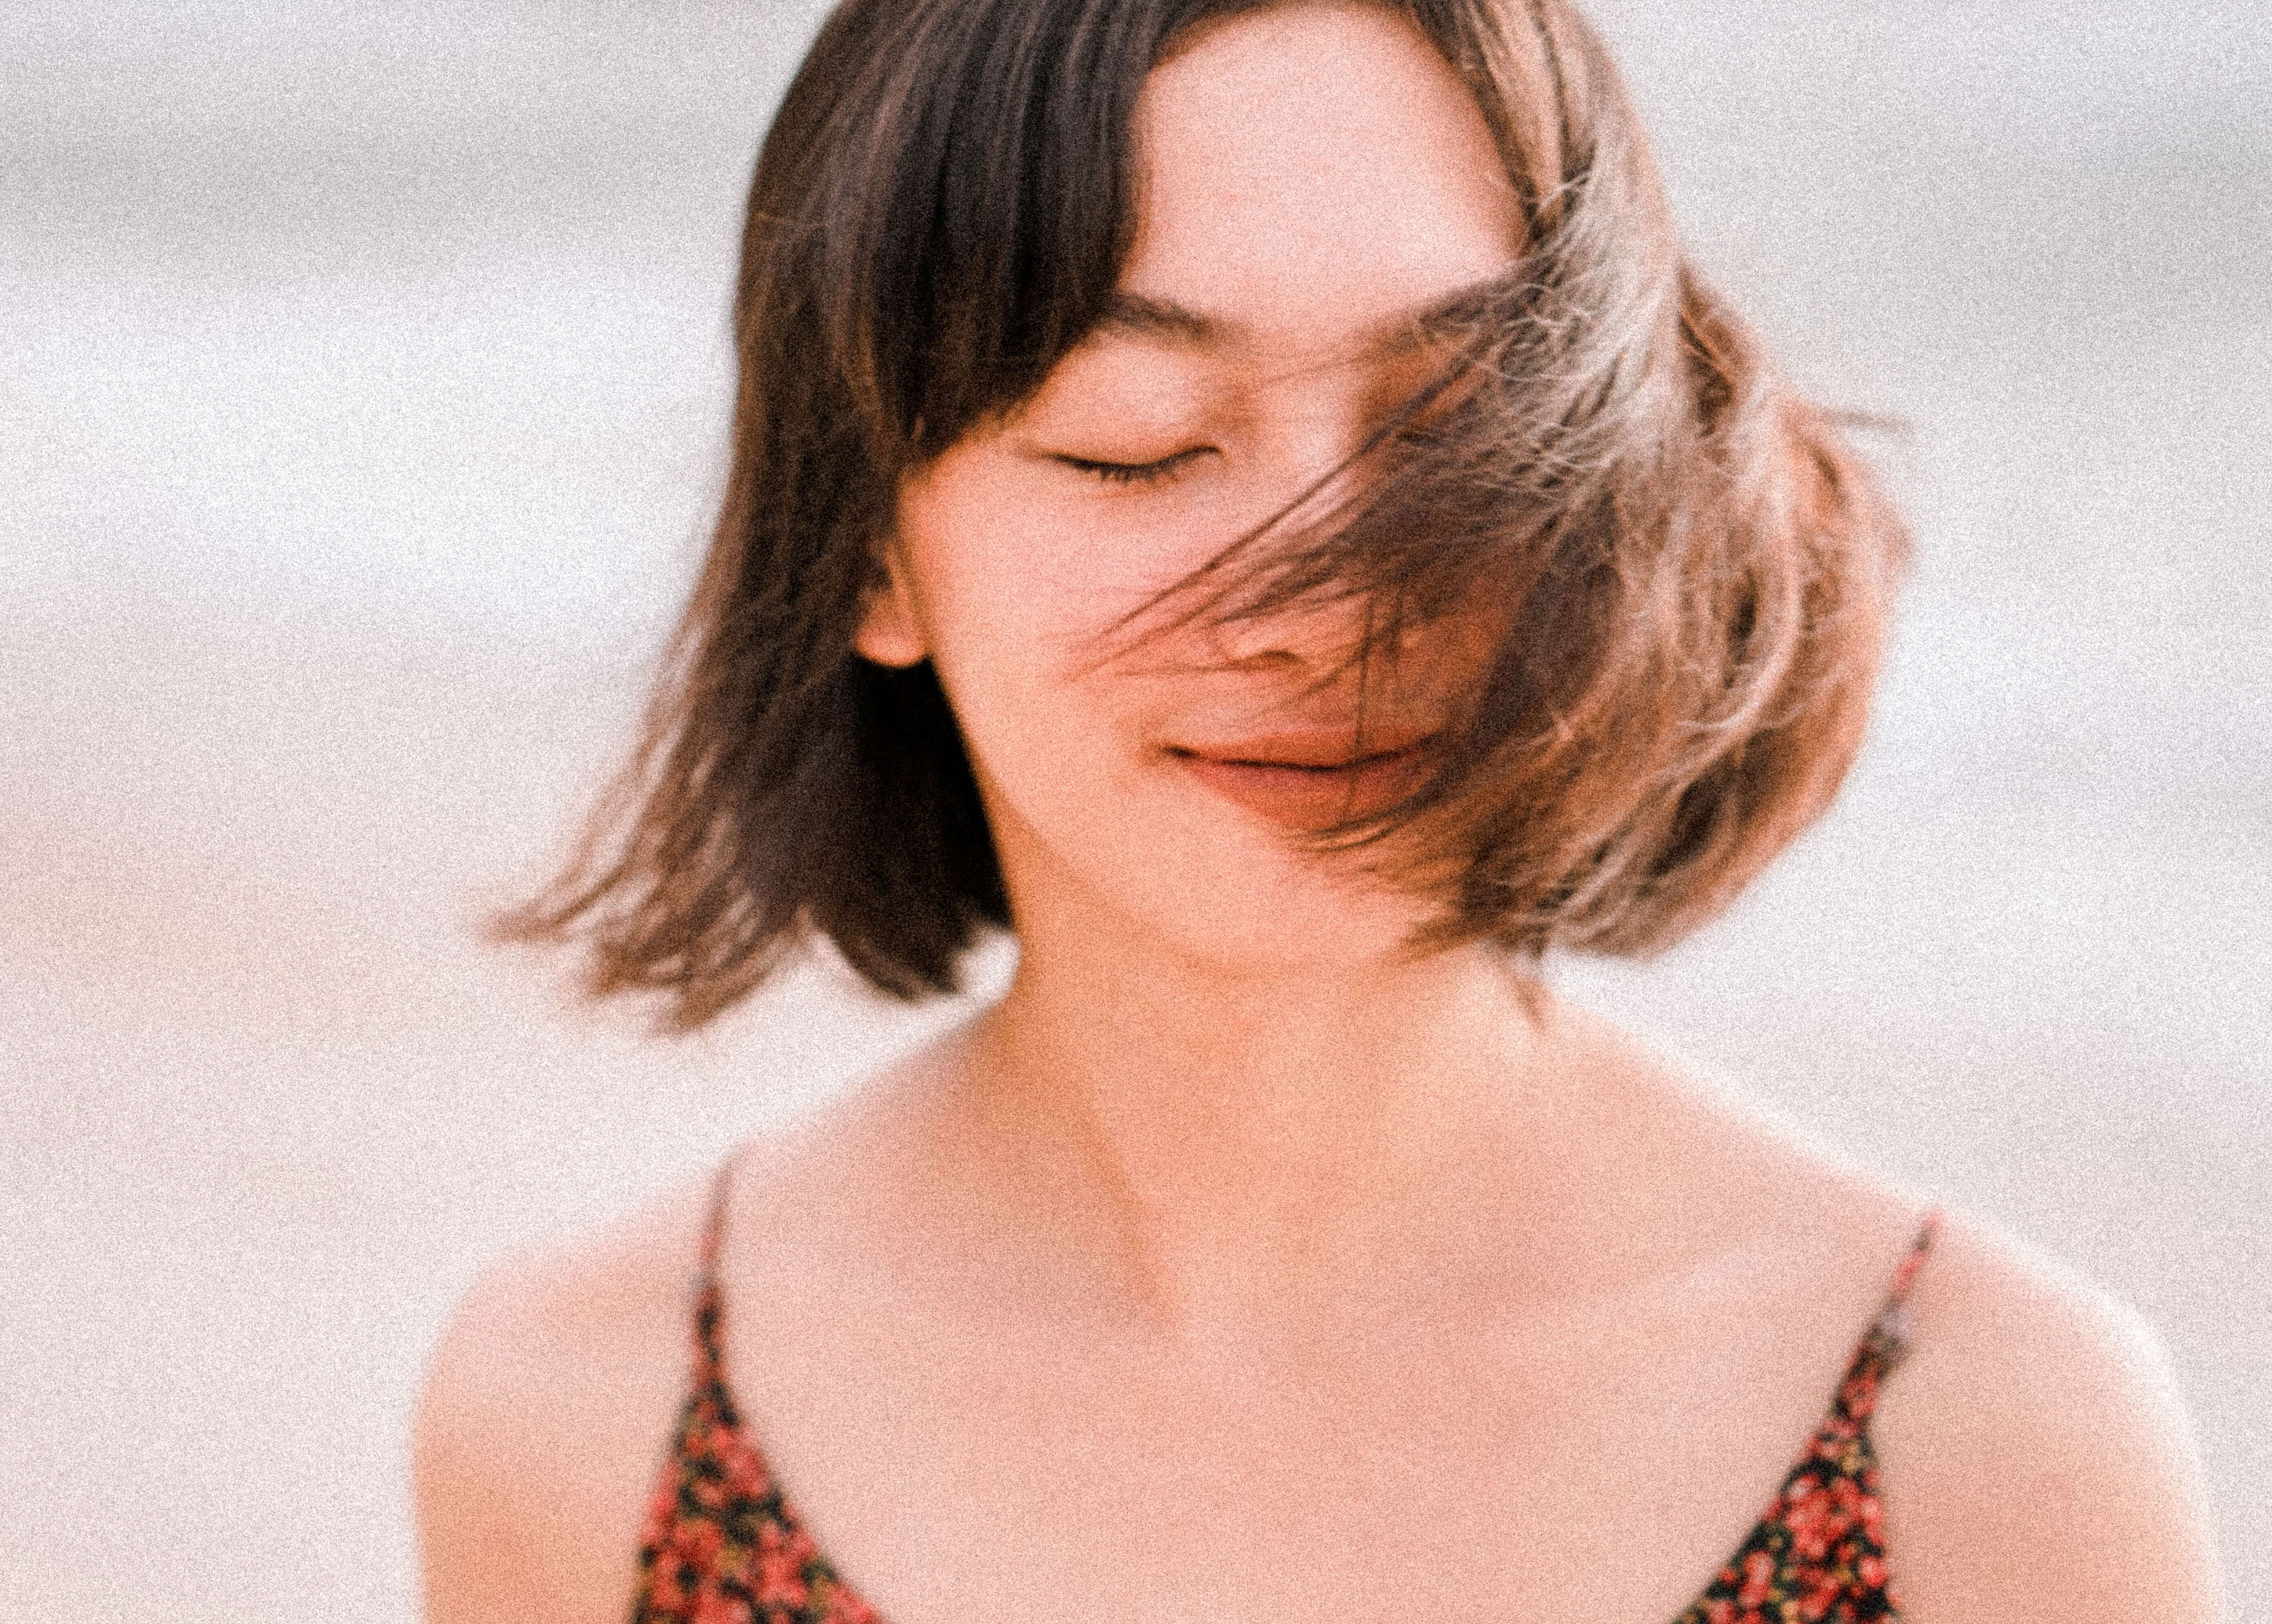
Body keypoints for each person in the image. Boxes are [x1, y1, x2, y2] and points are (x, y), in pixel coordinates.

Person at [412, 2, 2226, 1620]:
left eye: (1459, 432)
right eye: (1137, 439)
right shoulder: (591, 1417)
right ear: (870, 546)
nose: (1336, 602)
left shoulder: (1982, 1446)